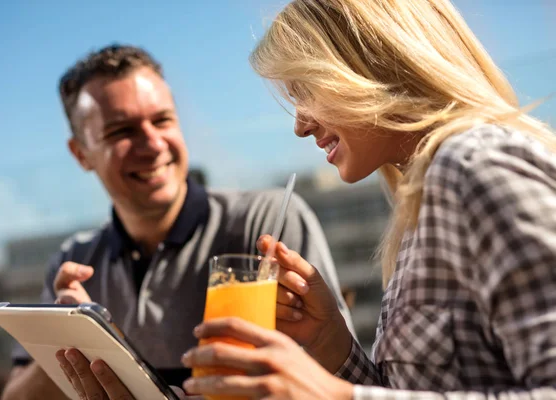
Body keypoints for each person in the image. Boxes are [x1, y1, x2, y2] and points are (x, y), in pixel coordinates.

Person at [177, 0, 556, 399]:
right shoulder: (421, 203)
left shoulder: (475, 166)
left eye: (305, 90)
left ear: (368, 64)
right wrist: (330, 341)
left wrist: (338, 395)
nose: (300, 126)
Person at [0, 44, 352, 400]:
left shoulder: (264, 221)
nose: (153, 144)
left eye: (162, 120)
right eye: (122, 131)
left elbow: (328, 382)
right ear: (81, 154)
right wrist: (69, 339)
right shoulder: (74, 261)